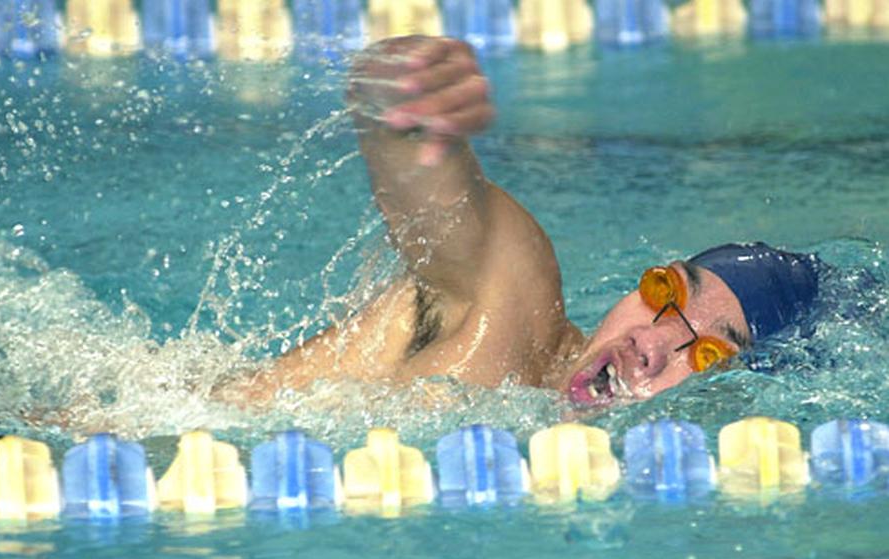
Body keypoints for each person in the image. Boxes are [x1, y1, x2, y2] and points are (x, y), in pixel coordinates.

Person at [218, 35, 819, 409]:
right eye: (666, 293)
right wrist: (411, 95)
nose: (649, 344)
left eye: (707, 354)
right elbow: (437, 197)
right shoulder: (508, 308)